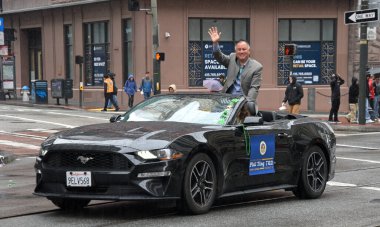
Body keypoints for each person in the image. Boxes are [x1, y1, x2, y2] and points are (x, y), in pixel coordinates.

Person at [208, 27, 263, 103]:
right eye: (239, 49)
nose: (241, 52)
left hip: (243, 101)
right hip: (227, 99)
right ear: (236, 51)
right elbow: (219, 57)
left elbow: (254, 88)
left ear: (249, 51)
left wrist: (247, 104)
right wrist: (215, 43)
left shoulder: (257, 67)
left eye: (244, 49)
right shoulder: (232, 58)